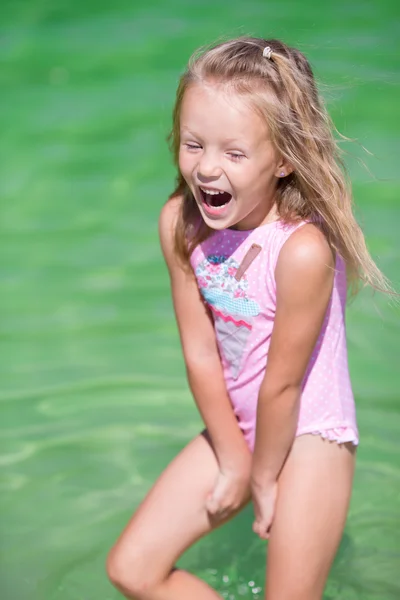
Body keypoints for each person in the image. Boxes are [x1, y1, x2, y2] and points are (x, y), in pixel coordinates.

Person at [106, 37, 391, 600]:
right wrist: (234, 458)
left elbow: (283, 384)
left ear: (284, 158)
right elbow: (199, 351)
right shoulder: (180, 224)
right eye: (194, 144)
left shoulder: (301, 251)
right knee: (133, 570)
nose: (207, 167)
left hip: (308, 435)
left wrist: (263, 477)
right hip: (236, 424)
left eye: (233, 153)